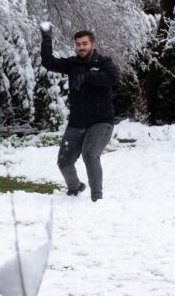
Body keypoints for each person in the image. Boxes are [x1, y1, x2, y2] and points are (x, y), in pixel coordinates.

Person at [40, 24, 119, 202]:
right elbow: (48, 62)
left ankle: (96, 199)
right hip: (77, 122)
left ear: (93, 45)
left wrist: (88, 76)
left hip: (101, 121)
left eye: (84, 44)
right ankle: (75, 187)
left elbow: (112, 78)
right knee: (64, 162)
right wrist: (46, 38)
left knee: (90, 154)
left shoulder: (104, 63)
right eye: (78, 44)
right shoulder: (72, 64)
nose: (81, 47)